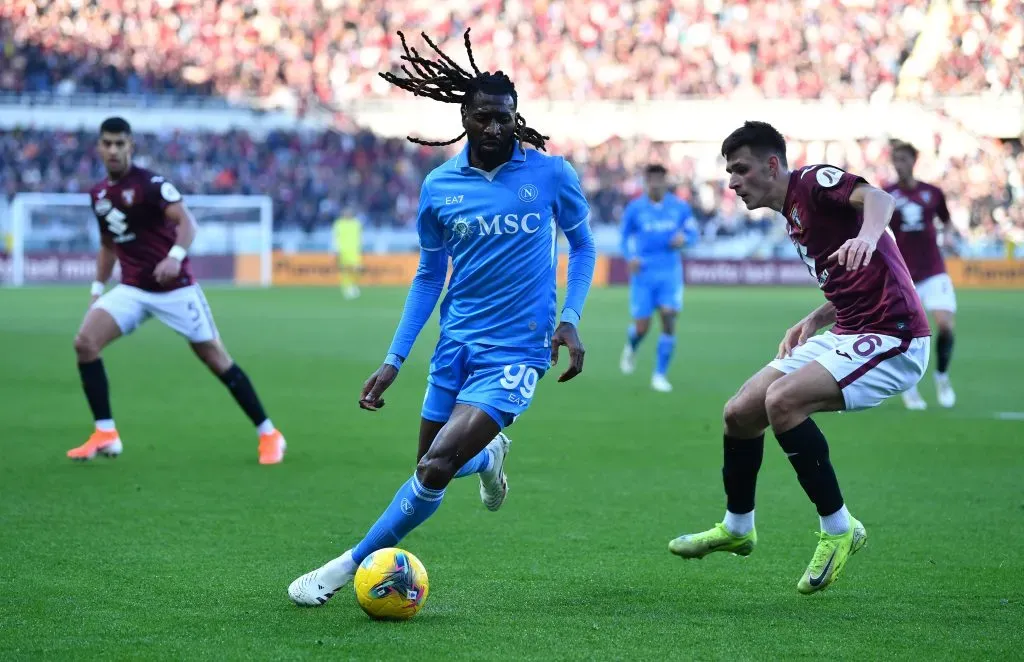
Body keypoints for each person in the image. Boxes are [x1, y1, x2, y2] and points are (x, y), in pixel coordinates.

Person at [288, 29, 595, 607]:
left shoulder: (551, 175)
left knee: (432, 467)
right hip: (455, 346)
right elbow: (430, 276)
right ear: (465, 117)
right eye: (484, 117)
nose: (496, 127)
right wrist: (393, 360)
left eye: (505, 116)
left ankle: (341, 568)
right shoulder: (440, 186)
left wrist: (570, 317)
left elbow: (582, 247)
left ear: (515, 116)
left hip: (518, 351)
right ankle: (489, 457)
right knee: (434, 465)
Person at [668, 121, 931, 594]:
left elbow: (880, 201)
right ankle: (737, 527)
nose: (733, 182)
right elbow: (857, 278)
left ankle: (839, 528)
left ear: (772, 164)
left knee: (783, 401)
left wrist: (869, 236)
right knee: (740, 412)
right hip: (849, 329)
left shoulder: (812, 183)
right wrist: (816, 317)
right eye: (729, 172)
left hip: (895, 335)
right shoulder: (791, 213)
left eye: (741, 169)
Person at [68, 117, 286, 465]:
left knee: (216, 359)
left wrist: (174, 257)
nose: (113, 149)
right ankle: (106, 433)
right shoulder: (98, 194)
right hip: (133, 288)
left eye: (119, 143)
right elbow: (108, 245)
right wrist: (97, 288)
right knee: (85, 343)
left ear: (130, 146)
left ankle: (269, 434)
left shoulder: (151, 185)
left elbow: (188, 222)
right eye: (107, 143)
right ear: (98, 147)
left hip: (175, 290)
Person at [885, 142, 958, 409]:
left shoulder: (933, 193)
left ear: (914, 161)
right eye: (896, 160)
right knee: (905, 333)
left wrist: (948, 234)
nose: (899, 164)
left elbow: (946, 220)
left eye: (903, 159)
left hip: (933, 268)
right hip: (902, 274)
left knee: (946, 326)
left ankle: (941, 377)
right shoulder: (887, 195)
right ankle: (910, 387)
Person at [618, 164, 698, 392]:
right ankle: (632, 345)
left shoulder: (679, 207)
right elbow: (623, 238)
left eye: (659, 178)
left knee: (669, 319)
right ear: (645, 181)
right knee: (642, 327)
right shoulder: (635, 208)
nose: (655, 183)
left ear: (665, 181)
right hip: (643, 273)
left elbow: (693, 233)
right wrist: (630, 256)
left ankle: (659, 375)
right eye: (651, 178)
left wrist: (685, 240)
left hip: (669, 273)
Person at [332, 209, 363, 300]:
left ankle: (353, 285)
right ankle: (347, 288)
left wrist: (361, 246)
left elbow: (360, 236)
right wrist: (336, 249)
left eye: (349, 212)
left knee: (357, 269)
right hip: (343, 250)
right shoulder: (339, 223)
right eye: (346, 212)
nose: (347, 214)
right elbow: (335, 237)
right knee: (345, 270)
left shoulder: (356, 223)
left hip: (354, 250)